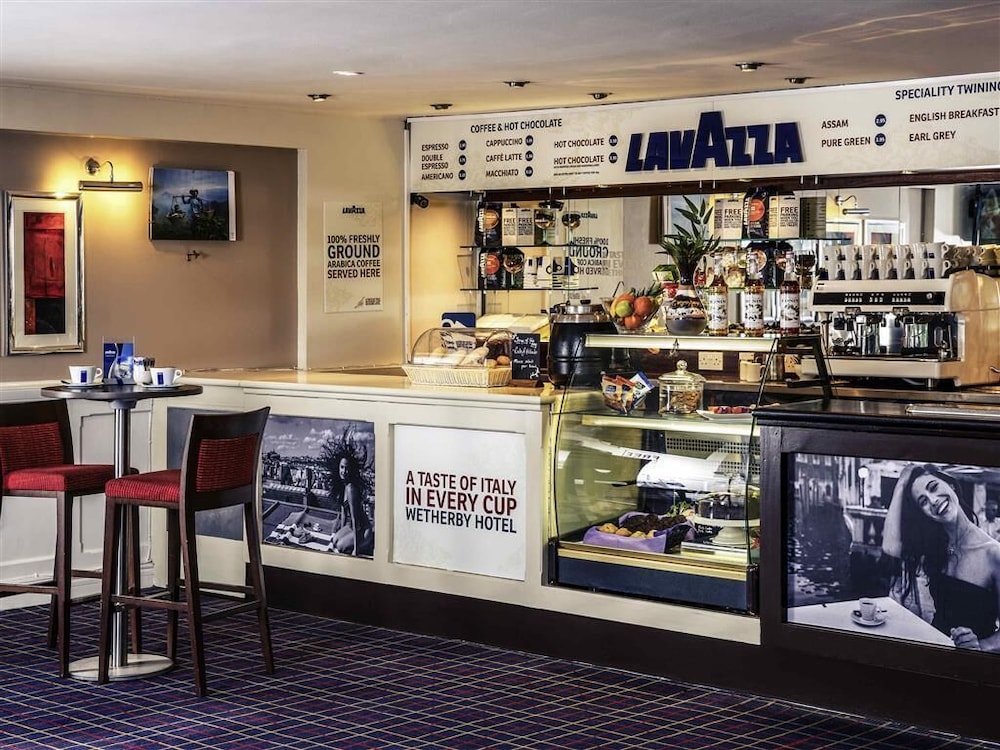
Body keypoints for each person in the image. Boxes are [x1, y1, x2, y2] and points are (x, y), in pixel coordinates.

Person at [882, 463, 1000, 652]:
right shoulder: (936, 546)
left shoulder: (993, 554)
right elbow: (890, 547)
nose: (933, 501)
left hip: (972, 662)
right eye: (923, 501)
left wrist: (981, 645)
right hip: (935, 649)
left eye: (933, 487)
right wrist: (901, 484)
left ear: (951, 485)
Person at [329, 455, 374, 556]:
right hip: (352, 527)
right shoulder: (343, 486)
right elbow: (344, 515)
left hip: (363, 530)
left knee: (340, 546)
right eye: (342, 467)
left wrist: (355, 550)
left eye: (347, 468)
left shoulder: (350, 489)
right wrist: (341, 532)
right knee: (335, 540)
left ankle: (365, 544)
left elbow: (355, 519)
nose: (344, 471)